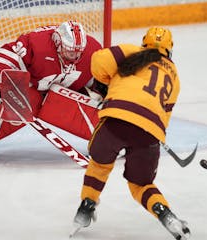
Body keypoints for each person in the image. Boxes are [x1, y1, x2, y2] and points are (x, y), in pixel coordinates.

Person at [71, 27, 191, 240]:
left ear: (144, 41)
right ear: (169, 49)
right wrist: (155, 134)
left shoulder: (131, 51)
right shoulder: (175, 76)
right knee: (141, 184)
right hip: (149, 132)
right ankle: (165, 214)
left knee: (99, 165)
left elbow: (98, 61)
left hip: (116, 119)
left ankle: (86, 206)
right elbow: (166, 115)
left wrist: (108, 82)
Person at [0, 20, 102, 164]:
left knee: (98, 110)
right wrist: (4, 84)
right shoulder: (37, 44)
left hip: (62, 93)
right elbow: (3, 58)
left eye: (78, 53)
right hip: (29, 90)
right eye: (70, 52)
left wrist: (106, 91)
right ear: (58, 43)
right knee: (13, 111)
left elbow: (100, 78)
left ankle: (113, 141)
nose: (75, 57)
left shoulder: (92, 51)